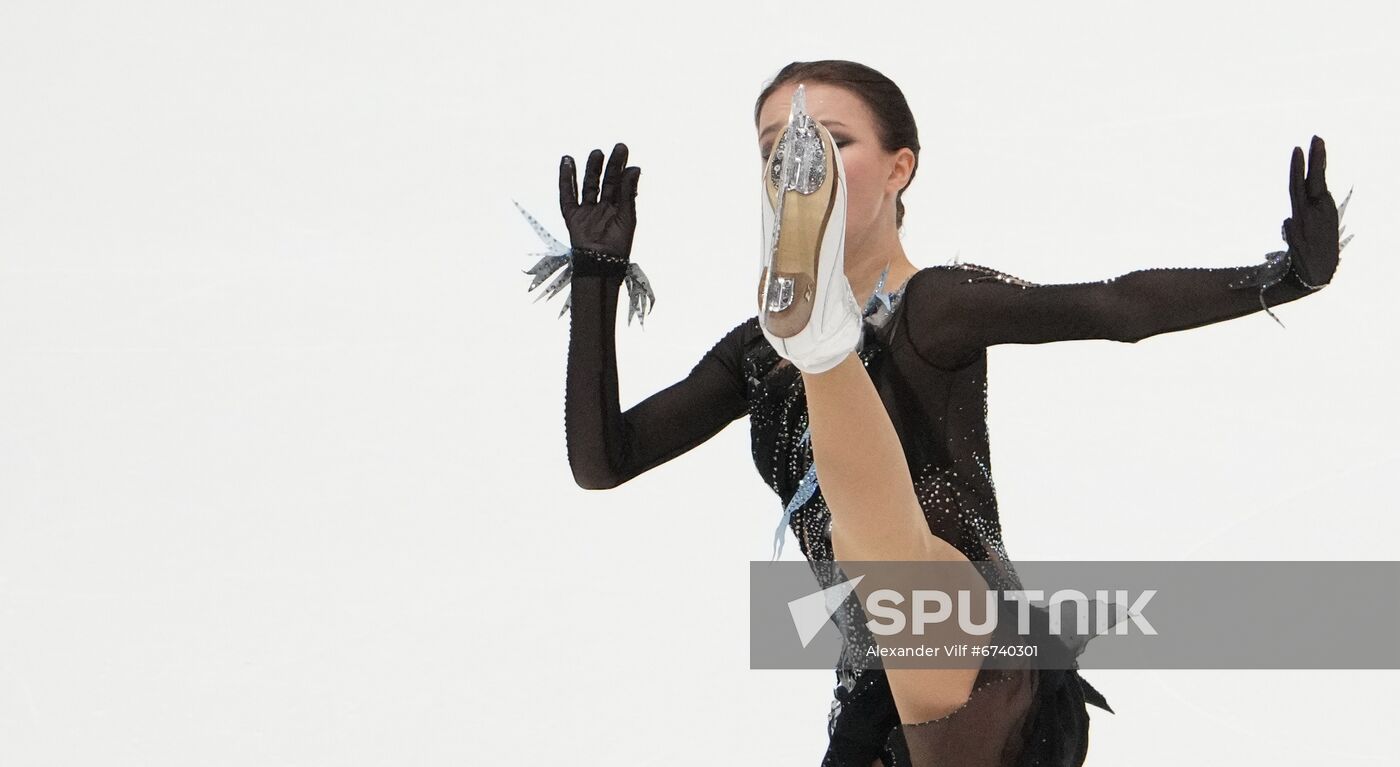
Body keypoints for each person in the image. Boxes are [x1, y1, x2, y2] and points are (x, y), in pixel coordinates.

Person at [525, 60, 1351, 766]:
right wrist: (595, 276)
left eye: (829, 144)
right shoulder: (750, 354)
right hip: (884, 699)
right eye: (778, 152)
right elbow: (606, 458)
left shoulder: (938, 305)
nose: (794, 165)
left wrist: (1285, 277)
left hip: (975, 646)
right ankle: (824, 343)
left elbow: (1114, 306)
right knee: (881, 592)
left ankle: (827, 347)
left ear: (899, 168)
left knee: (894, 564)